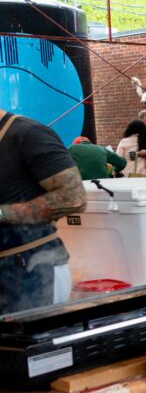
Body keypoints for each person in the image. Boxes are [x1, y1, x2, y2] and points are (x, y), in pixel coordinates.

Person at [0, 109, 87, 312]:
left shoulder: (28, 134)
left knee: (38, 342)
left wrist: (3, 213)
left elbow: (74, 197)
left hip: (31, 270)